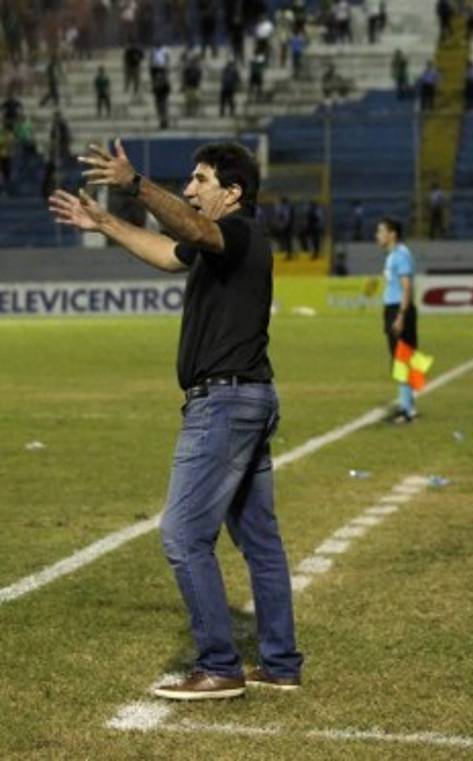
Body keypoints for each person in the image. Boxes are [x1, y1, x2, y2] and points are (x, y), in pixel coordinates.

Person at [49, 139, 303, 699]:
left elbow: (191, 231)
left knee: (183, 534)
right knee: (260, 541)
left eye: (200, 180)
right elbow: (169, 252)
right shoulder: (223, 244)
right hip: (246, 399)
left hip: (225, 404)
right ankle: (280, 663)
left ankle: (219, 664)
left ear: (231, 193)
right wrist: (107, 223)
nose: (190, 189)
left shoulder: (237, 233)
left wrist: (136, 184)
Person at [378, 217, 419, 423]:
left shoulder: (400, 255)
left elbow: (406, 287)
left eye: (381, 231)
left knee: (402, 358)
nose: (378, 236)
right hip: (395, 308)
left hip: (398, 309)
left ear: (392, 234)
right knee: (405, 357)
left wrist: (401, 315)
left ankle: (407, 408)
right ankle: (409, 404)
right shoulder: (394, 255)